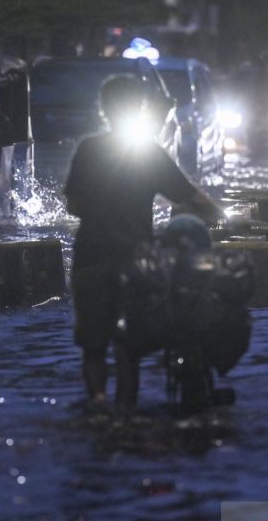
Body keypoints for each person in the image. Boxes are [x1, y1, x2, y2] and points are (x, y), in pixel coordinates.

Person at [64, 75, 225, 412]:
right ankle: (125, 409)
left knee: (92, 347)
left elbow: (73, 206)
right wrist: (222, 216)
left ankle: (96, 404)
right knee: (128, 347)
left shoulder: (88, 149)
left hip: (89, 258)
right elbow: (193, 199)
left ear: (104, 109)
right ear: (138, 110)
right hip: (134, 260)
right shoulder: (148, 153)